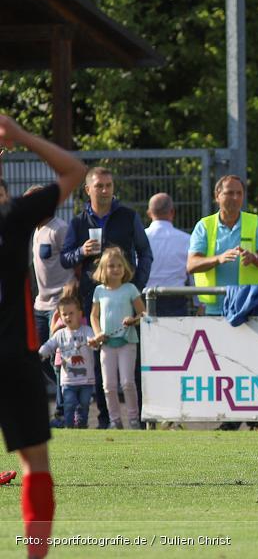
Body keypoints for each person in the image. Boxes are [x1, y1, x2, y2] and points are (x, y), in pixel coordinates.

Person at [0, 113, 87, 558]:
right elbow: (74, 171)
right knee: (35, 465)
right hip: (13, 356)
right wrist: (19, 135)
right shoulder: (14, 220)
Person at [60, 166, 153, 429]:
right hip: (93, 299)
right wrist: (80, 251)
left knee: (131, 369)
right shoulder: (79, 222)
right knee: (103, 368)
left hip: (127, 302)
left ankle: (138, 419)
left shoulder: (128, 216)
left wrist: (136, 284)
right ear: (87, 189)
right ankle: (107, 420)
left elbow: (145, 253)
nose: (105, 190)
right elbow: (65, 258)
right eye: (99, 186)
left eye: (109, 186)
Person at [187, 175, 258, 431]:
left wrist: (254, 258)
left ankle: (255, 417)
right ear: (217, 196)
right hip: (215, 308)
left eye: (238, 193)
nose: (234, 198)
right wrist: (218, 258)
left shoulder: (255, 223)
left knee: (252, 364)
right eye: (229, 193)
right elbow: (191, 264)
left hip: (249, 305)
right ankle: (230, 416)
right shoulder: (204, 226)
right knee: (222, 366)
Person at [26, 184, 75, 427]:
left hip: (58, 306)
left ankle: (64, 412)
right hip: (39, 305)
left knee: (58, 361)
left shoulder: (59, 229)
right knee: (38, 357)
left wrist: (69, 292)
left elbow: (72, 261)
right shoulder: (35, 230)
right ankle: (65, 404)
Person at [88, 247, 145, 430]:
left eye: (120, 265)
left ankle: (134, 419)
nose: (116, 269)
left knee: (127, 382)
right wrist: (97, 333)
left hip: (127, 342)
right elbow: (94, 316)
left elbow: (143, 313)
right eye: (111, 266)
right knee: (108, 385)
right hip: (106, 345)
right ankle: (115, 420)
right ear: (103, 269)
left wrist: (133, 320)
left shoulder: (130, 289)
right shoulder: (99, 291)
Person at [38, 297, 95, 429]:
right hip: (68, 381)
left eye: (71, 313)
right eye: (64, 314)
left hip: (86, 380)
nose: (68, 317)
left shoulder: (87, 331)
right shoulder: (60, 334)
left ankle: (82, 424)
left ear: (80, 314)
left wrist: (94, 342)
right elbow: (49, 345)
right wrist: (41, 353)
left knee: (85, 403)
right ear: (60, 316)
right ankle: (69, 427)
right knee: (69, 404)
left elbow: (94, 342)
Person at [145, 193, 192, 316]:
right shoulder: (187, 239)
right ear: (172, 212)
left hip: (144, 299)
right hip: (176, 300)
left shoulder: (139, 238)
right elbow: (194, 274)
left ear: (149, 213)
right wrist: (200, 304)